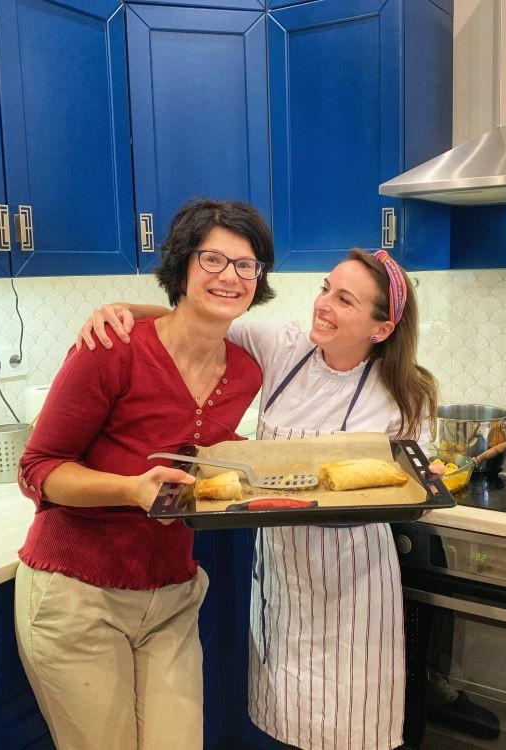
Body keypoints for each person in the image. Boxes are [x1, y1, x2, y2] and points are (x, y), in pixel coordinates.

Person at [76, 249, 440, 750]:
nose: (323, 305)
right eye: (325, 288)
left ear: (381, 328)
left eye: (344, 300)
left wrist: (425, 481)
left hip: (356, 580)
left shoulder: (407, 394)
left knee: (354, 728)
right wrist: (119, 309)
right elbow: (194, 321)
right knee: (283, 724)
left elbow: (412, 492)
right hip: (282, 574)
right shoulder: (283, 347)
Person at [14, 198, 275, 750]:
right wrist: (131, 490)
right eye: (212, 260)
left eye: (246, 264)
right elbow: (38, 468)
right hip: (78, 594)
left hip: (173, 593)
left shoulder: (245, 372)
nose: (230, 276)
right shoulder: (112, 349)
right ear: (182, 264)